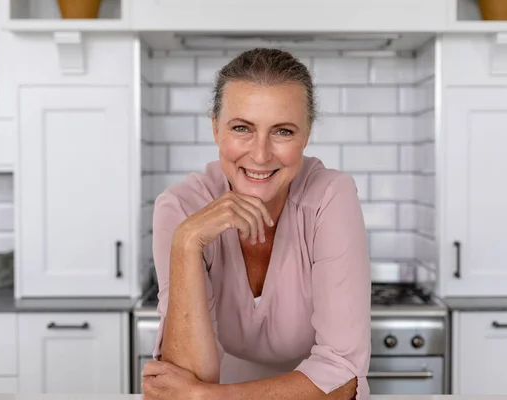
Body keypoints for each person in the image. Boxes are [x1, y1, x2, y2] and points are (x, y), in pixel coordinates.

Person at [141, 47, 371, 400]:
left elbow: (342, 378)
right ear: (216, 128)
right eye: (241, 128)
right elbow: (180, 379)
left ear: (306, 135)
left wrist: (207, 397)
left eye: (282, 131)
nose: (261, 154)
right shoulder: (181, 207)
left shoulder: (330, 196)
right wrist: (186, 242)